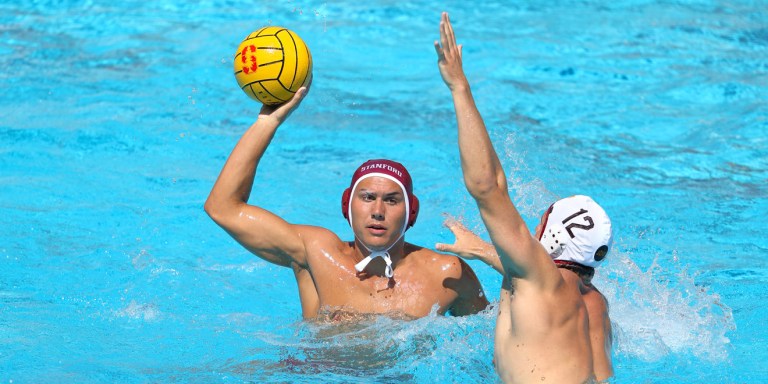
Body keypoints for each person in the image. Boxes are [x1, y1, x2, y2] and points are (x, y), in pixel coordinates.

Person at [204, 80, 489, 321]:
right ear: (346, 206)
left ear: (412, 213)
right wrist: (268, 122)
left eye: (391, 201)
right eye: (367, 198)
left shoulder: (447, 275)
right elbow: (222, 207)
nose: (377, 211)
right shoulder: (315, 253)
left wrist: (490, 255)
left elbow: (500, 338)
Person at [434, 12, 613, 383]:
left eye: (542, 221)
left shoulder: (537, 276)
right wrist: (484, 250)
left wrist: (459, 88)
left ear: (551, 233)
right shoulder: (595, 303)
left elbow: (486, 187)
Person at [436, 215, 613, 381]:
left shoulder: (550, 288)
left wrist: (479, 248)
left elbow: (532, 275)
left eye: (543, 223)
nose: (536, 228)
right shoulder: (597, 301)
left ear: (556, 238)